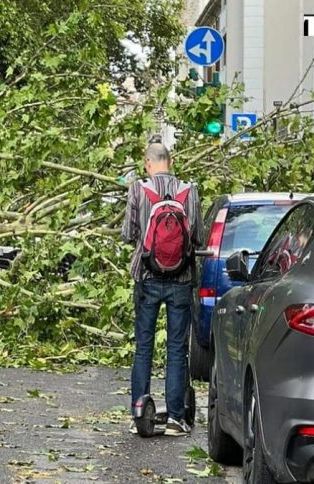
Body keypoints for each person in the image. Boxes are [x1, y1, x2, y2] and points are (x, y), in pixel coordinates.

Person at [121, 138, 202, 436]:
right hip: (181, 281)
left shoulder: (138, 190)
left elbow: (128, 233)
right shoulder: (189, 190)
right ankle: (175, 419)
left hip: (147, 278)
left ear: (147, 163)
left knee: (143, 347)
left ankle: (139, 412)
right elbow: (197, 238)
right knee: (177, 349)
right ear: (171, 161)